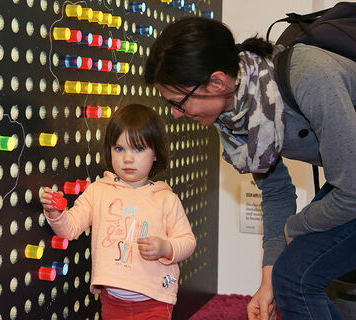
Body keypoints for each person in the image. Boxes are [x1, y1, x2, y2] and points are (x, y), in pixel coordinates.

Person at [144, 16, 356, 320]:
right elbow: (276, 193)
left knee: (296, 278)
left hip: (351, 186)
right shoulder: (236, 115)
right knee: (291, 277)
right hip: (350, 181)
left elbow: (351, 192)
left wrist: (293, 228)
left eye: (180, 102)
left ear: (217, 81)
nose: (176, 115)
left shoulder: (309, 76)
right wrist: (267, 283)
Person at [39, 104, 196, 320]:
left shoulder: (165, 198)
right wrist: (56, 213)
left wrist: (166, 247)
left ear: (156, 154)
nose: (128, 159)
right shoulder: (99, 190)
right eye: (119, 149)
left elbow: (187, 241)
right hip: (112, 300)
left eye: (138, 149)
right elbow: (70, 228)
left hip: (154, 301)